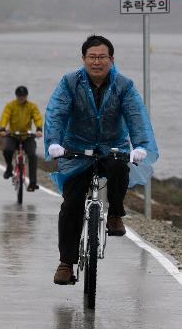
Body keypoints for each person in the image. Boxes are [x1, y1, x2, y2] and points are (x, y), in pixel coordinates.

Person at [44, 35, 158, 284]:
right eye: (92, 57)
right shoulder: (70, 82)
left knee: (119, 166)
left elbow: (135, 115)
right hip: (76, 148)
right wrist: (54, 141)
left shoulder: (123, 85)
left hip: (112, 145)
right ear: (84, 59)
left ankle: (115, 214)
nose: (97, 62)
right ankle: (66, 263)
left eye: (102, 57)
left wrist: (139, 145)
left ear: (111, 59)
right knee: (71, 205)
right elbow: (57, 112)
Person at [0, 86, 43, 192]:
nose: (21, 98)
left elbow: (37, 117)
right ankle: (9, 167)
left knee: (32, 155)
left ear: (26, 96)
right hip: (13, 135)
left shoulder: (32, 106)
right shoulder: (10, 106)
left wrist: (39, 129)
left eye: (23, 96)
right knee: (7, 150)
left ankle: (32, 183)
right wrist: (2, 129)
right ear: (16, 96)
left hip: (27, 136)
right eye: (19, 96)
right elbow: (5, 116)